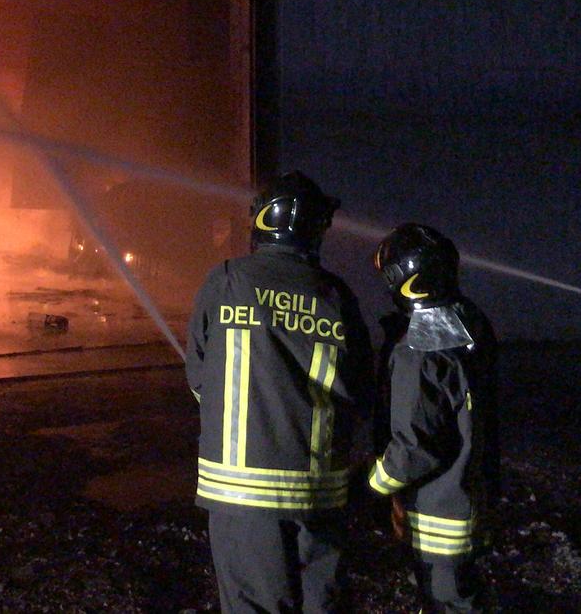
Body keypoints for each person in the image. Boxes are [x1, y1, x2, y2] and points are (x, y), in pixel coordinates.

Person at [185, 171, 373, 613]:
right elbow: (362, 392)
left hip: (241, 496)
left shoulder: (227, 281)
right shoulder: (336, 296)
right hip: (318, 494)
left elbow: (199, 379)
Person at [367, 224, 498, 613]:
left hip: (438, 516)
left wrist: (370, 486)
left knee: (446, 602)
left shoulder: (418, 349)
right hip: (471, 504)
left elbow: (415, 448)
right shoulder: (469, 326)